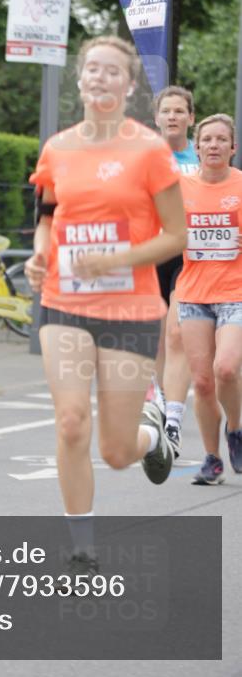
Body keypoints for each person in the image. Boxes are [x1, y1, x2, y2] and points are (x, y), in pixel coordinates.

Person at [25, 35, 186, 577]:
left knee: (116, 450)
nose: (100, 78)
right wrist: (41, 256)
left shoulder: (149, 150)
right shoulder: (58, 148)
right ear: (79, 79)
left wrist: (118, 255)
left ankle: (152, 436)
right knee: (71, 421)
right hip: (64, 303)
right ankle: (81, 548)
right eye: (91, 69)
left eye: (112, 71)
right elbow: (48, 215)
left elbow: (176, 236)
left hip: (131, 310)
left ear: (130, 85)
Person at [174, 113, 242, 485]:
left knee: (226, 368)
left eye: (221, 139)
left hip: (236, 291)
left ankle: (236, 427)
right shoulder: (180, 188)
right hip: (194, 294)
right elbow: (162, 233)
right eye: (207, 140)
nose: (214, 145)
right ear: (196, 148)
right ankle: (212, 459)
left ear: (233, 147)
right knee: (201, 383)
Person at [153, 86, 199, 456]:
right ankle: (163, 399)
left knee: (176, 333)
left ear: (190, 118)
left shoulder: (199, 159)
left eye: (179, 111)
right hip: (150, 253)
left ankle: (173, 416)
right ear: (157, 118)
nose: (172, 116)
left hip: (188, 256)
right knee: (156, 333)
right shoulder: (143, 158)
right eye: (166, 111)